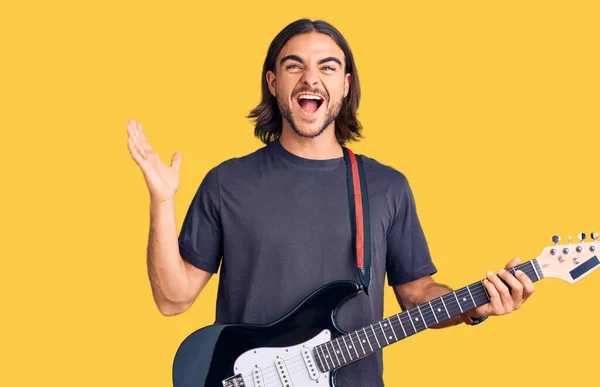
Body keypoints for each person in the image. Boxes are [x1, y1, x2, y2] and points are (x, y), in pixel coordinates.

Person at [126, 18, 535, 387]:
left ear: (346, 84)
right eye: (293, 66)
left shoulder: (385, 186)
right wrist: (162, 201)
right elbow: (171, 299)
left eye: (327, 66)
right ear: (273, 82)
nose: (310, 79)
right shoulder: (227, 182)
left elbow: (416, 294)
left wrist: (474, 306)